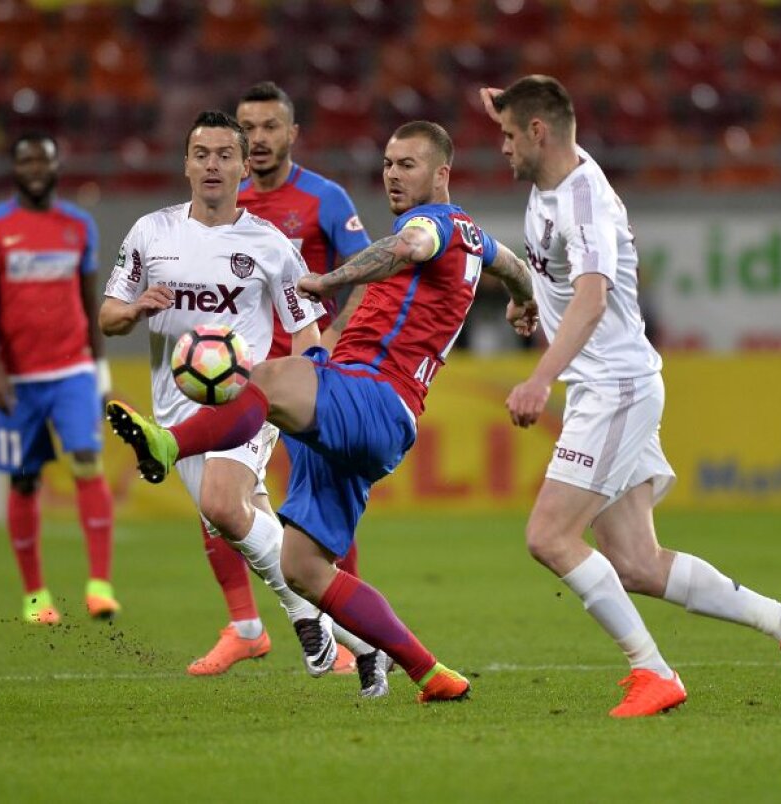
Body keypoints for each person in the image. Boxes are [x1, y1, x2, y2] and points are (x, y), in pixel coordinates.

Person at [106, 120, 538, 703]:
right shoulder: (474, 236)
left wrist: (328, 278)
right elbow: (509, 261)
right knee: (306, 568)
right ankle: (428, 671)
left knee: (260, 377)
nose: (391, 174)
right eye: (387, 162)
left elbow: (404, 248)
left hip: (372, 394)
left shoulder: (429, 224)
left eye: (406, 164)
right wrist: (523, 298)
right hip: (379, 415)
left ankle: (168, 444)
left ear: (442, 174)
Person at [481, 76, 781, 716]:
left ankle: (655, 673)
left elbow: (591, 298)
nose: (500, 148)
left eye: (508, 135)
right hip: (610, 385)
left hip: (613, 386)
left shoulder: (584, 200)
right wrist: (527, 301)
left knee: (549, 536)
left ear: (538, 133)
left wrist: (539, 378)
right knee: (638, 563)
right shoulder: (548, 185)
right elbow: (559, 279)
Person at [100, 110, 391, 697]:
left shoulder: (269, 244)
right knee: (241, 522)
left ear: (241, 166)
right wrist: (134, 312)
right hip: (175, 412)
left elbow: (306, 331)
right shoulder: (150, 232)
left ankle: (315, 623)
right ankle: (353, 637)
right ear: (186, 164)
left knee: (223, 508)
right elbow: (108, 316)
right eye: (201, 154)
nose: (212, 165)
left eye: (223, 155)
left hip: (247, 402)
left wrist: (313, 391)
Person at [172, 81, 373, 677]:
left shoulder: (326, 199)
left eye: (268, 127)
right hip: (241, 378)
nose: (256, 139)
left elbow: (364, 276)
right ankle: (245, 626)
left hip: (308, 375)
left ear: (292, 134)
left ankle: (347, 623)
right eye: (246, 128)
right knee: (220, 500)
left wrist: (333, 343)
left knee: (322, 496)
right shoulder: (221, 204)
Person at [0, 132, 119, 625]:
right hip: (19, 377)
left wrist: (100, 371)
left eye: (43, 160)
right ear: (14, 168)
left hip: (72, 367)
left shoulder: (79, 225)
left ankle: (99, 586)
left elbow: (88, 299)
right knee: (25, 479)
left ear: (56, 167)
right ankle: (36, 597)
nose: (35, 167)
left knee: (87, 458)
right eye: (26, 160)